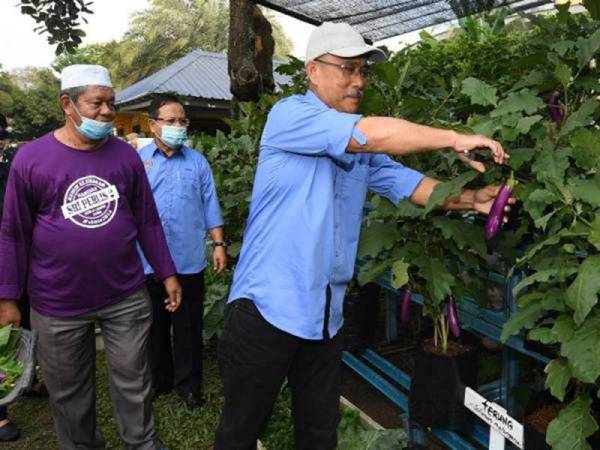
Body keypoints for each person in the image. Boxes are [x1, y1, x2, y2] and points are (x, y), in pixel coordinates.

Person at [214, 22, 513, 450]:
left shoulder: (359, 147)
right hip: (267, 309)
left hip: (325, 318)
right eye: (347, 69)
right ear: (313, 70)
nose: (359, 80)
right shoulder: (292, 116)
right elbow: (369, 134)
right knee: (240, 431)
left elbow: (413, 186)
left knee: (319, 434)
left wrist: (474, 201)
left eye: (363, 71)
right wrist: (452, 138)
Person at [0, 64, 182, 450]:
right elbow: (14, 232)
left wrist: (166, 273)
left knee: (135, 380)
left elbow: (147, 219)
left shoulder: (125, 157)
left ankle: (142, 444)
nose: (106, 112)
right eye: (96, 103)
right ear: (68, 104)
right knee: (69, 393)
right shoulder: (31, 159)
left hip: (126, 295)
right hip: (57, 303)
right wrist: (8, 298)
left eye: (111, 103)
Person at [138, 94, 226, 411]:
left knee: (188, 327)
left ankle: (189, 385)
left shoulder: (197, 162)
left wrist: (218, 243)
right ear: (153, 125)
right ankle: (160, 379)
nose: (178, 126)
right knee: (154, 325)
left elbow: (210, 204)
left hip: (189, 260)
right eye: (170, 121)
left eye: (182, 121)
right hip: (148, 263)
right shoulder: (139, 162)